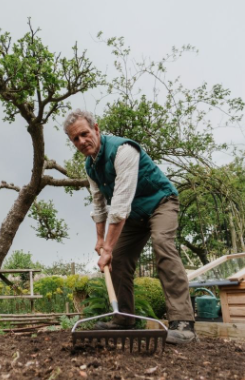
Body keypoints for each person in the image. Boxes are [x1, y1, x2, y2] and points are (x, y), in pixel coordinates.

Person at [64, 109, 196, 345]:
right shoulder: (89, 166)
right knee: (119, 257)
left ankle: (183, 322)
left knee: (162, 244)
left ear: (96, 129)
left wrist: (106, 248)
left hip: (160, 202)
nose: (82, 141)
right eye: (75, 138)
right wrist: (101, 241)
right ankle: (124, 317)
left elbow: (120, 206)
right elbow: (99, 204)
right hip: (134, 215)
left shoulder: (123, 150)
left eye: (85, 134)